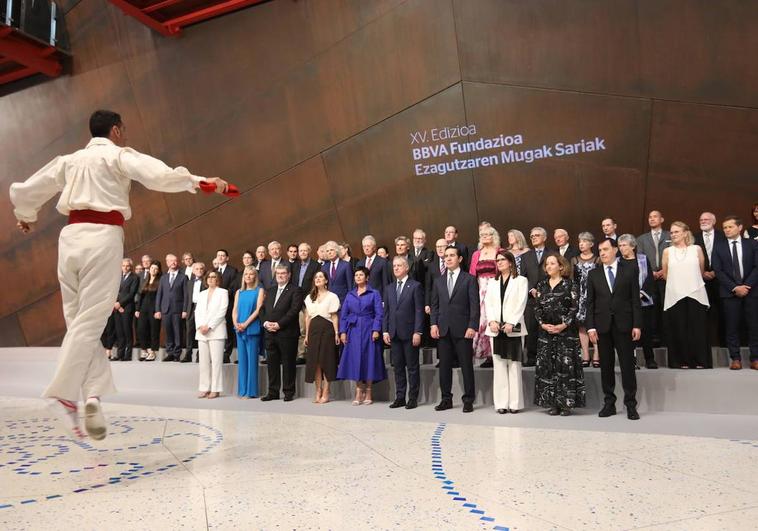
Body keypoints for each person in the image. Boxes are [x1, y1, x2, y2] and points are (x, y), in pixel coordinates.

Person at [9, 109, 228, 439]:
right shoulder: (118, 156)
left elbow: (30, 189)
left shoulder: (69, 160)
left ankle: (93, 393)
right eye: (123, 130)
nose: (125, 135)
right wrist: (202, 182)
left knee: (78, 320)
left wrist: (26, 214)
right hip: (102, 237)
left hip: (70, 239)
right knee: (91, 320)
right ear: (115, 130)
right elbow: (158, 175)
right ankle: (64, 395)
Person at [587, 238, 642, 420]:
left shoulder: (630, 270)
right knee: (606, 367)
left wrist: (637, 324)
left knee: (627, 366)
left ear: (615, 250)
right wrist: (590, 327)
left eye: (605, 249)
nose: (602, 253)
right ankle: (609, 403)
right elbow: (590, 304)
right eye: (600, 250)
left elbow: (635, 299)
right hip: (602, 326)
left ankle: (631, 405)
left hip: (624, 324)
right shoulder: (593, 274)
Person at [533, 255, 585, 416]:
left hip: (566, 333)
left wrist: (563, 324)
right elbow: (537, 307)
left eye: (552, 263)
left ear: (561, 266)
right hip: (546, 332)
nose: (548, 266)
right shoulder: (541, 285)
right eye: (547, 264)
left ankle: (566, 404)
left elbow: (575, 308)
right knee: (548, 367)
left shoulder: (571, 285)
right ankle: (552, 403)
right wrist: (542, 323)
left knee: (565, 367)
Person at [430, 246, 479, 413]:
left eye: (452, 255)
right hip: (443, 329)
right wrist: (433, 324)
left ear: (460, 259)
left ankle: (468, 399)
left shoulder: (469, 279)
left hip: (463, 329)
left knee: (466, 366)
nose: (448, 258)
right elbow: (434, 306)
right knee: (444, 366)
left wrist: (472, 325)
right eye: (446, 256)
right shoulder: (438, 281)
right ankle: (446, 399)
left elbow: (474, 306)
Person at [484, 250, 528, 414]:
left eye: (503, 259)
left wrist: (511, 322)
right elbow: (488, 303)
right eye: (497, 260)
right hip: (496, 329)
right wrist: (492, 321)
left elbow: (521, 303)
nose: (499, 262)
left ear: (510, 262)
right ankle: (501, 403)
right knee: (499, 366)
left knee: (514, 367)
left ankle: (515, 404)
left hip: (513, 328)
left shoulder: (521, 280)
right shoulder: (492, 282)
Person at [661, 221, 710, 369]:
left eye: (676, 231)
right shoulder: (667, 251)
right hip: (675, 294)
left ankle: (700, 361)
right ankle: (680, 361)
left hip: (696, 292)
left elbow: (701, 271)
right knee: (678, 328)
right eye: (672, 232)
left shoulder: (696, 249)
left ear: (685, 233)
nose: (673, 234)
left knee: (697, 328)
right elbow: (665, 274)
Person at [712, 215, 758, 370]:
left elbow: (756, 267)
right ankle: (735, 358)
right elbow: (718, 270)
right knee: (731, 327)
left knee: (754, 326)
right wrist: (735, 287)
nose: (726, 230)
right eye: (724, 227)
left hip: (752, 292)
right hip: (729, 292)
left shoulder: (752, 244)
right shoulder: (718, 246)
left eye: (730, 227)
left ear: (740, 227)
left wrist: (746, 286)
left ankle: (755, 358)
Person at [338, 266, 386, 405]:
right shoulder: (350, 294)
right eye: (356, 275)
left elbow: (379, 313)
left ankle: (369, 390)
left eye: (361, 275)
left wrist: (376, 329)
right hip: (353, 329)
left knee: (369, 359)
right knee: (355, 360)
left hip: (368, 328)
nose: (358, 277)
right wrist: (343, 332)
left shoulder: (374, 293)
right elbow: (344, 315)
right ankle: (359, 389)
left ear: (367, 277)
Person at [383, 256, 424, 410]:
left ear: (406, 268)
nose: (396, 268)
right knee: (398, 367)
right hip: (394, 333)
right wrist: (385, 330)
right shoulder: (389, 288)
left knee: (412, 367)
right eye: (394, 266)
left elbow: (419, 311)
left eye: (399, 265)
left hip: (409, 332)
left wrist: (418, 331)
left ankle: (412, 398)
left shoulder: (415, 286)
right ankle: (400, 397)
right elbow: (386, 311)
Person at [260, 265, 304, 401]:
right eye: (278, 273)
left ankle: (288, 392)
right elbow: (262, 309)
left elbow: (294, 310)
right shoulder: (271, 290)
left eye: (283, 273)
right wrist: (266, 323)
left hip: (287, 332)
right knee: (272, 364)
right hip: (270, 332)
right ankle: (273, 392)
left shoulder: (295, 290)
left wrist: (279, 324)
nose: (280, 275)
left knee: (288, 363)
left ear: (289, 275)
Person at [618, 234, 658, 369]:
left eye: (624, 245)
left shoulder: (642, 259)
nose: (622, 248)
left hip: (643, 301)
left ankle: (650, 359)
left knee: (646, 332)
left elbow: (649, 279)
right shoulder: (617, 262)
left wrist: (640, 294)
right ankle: (631, 360)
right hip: (626, 304)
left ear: (633, 246)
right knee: (629, 334)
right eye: (620, 246)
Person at [304, 271, 341, 403]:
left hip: (327, 330)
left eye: (321, 277)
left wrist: (337, 333)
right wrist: (306, 335)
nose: (318, 279)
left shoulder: (332, 297)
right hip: (313, 330)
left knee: (327, 361)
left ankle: (326, 391)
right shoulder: (309, 297)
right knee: (316, 362)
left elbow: (334, 316)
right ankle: (318, 390)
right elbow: (307, 317)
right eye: (316, 277)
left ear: (326, 281)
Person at [636, 210, 671, 345]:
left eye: (655, 216)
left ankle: (666, 339)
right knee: (651, 309)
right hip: (649, 279)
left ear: (662, 219)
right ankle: (653, 338)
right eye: (650, 217)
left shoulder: (670, 235)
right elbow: (640, 259)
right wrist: (651, 272)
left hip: (667, 277)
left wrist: (664, 271)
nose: (652, 219)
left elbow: (674, 256)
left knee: (666, 308)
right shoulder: (641, 239)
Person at [469, 225, 500, 366]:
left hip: (496, 288)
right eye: (483, 235)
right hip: (480, 289)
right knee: (482, 320)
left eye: (488, 234)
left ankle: (496, 354)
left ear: (494, 236)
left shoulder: (500, 251)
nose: (485, 237)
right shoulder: (477, 254)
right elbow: (471, 275)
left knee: (494, 318)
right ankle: (486, 354)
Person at [694, 212, 726, 348]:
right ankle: (703, 344)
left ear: (714, 221)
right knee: (701, 314)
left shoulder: (723, 235)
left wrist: (716, 272)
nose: (703, 221)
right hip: (700, 280)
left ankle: (724, 343)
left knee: (723, 313)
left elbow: (727, 256)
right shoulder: (694, 237)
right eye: (701, 219)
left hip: (721, 280)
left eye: (706, 219)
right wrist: (703, 272)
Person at [195, 271, 228, 399]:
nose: (211, 279)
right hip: (201, 332)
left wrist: (209, 326)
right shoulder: (202, 294)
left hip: (216, 330)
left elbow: (222, 311)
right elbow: (197, 312)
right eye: (208, 277)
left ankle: (216, 389)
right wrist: (200, 326)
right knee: (203, 362)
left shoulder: (223, 292)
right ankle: (204, 388)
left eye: (213, 277)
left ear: (218, 279)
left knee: (216, 362)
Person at [521, 226, 551, 367]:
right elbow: (522, 277)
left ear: (544, 237)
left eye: (537, 235)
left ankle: (548, 358)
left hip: (550, 296)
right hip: (532, 298)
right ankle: (532, 358)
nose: (533, 237)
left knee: (548, 327)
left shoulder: (553, 254)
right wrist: (530, 289)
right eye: (532, 236)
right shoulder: (526, 256)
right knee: (531, 328)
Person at [233, 266, 264, 399]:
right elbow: (234, 310)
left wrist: (245, 324)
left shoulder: (260, 290)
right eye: (246, 274)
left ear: (255, 276)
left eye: (251, 274)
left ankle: (251, 391)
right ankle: (242, 390)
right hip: (239, 329)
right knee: (243, 361)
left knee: (252, 361)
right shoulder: (239, 292)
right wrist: (236, 324)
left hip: (251, 328)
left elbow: (258, 310)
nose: (248, 276)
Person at [571, 232, 601, 368]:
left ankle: (597, 353)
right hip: (580, 296)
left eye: (584, 241)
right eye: (580, 241)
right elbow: (572, 280)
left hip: (594, 295)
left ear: (591, 244)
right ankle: (585, 354)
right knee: (581, 325)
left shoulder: (597, 259)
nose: (581, 244)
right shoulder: (574, 260)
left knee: (595, 324)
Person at [155, 254, 187, 362]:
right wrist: (158, 310)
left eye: (175, 261)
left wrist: (184, 310)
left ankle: (177, 354)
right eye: (171, 261)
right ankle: (170, 353)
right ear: (167, 262)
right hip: (165, 309)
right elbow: (159, 294)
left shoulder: (183, 277)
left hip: (178, 309)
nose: (173, 263)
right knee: (168, 332)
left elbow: (186, 295)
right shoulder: (163, 277)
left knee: (178, 332)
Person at [293, 242, 320, 364]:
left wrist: (310, 298)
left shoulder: (316, 265)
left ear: (309, 252)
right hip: (296, 301)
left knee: (309, 328)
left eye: (305, 250)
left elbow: (316, 283)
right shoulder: (295, 265)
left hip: (310, 301)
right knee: (301, 329)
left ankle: (311, 354)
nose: (303, 253)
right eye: (301, 251)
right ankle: (301, 354)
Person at [113, 258, 139, 361]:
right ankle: (120, 354)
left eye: (127, 266)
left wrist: (120, 304)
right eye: (123, 265)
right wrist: (116, 304)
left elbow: (131, 294)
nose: (125, 267)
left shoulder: (134, 278)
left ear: (131, 267)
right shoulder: (117, 277)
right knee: (119, 332)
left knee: (127, 331)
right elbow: (113, 291)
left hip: (127, 307)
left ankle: (127, 355)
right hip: (117, 307)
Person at [135, 261, 162, 361]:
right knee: (141, 329)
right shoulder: (145, 280)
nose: (153, 270)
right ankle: (144, 350)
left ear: (158, 271)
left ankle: (152, 352)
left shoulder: (160, 281)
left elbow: (160, 297)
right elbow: (140, 296)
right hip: (143, 308)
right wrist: (138, 309)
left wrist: (158, 310)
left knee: (153, 330)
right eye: (152, 268)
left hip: (154, 309)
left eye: (155, 269)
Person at [215, 249, 238, 363]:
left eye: (223, 255)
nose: (220, 257)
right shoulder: (213, 271)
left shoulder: (232, 271)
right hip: (215, 306)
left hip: (228, 304)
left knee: (228, 329)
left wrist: (220, 294)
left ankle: (227, 353)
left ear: (227, 258)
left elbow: (233, 287)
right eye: (218, 255)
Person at [182, 261, 206, 363]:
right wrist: (184, 310)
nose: (199, 271)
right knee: (189, 331)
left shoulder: (206, 282)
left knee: (201, 331)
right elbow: (186, 297)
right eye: (197, 269)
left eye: (201, 269)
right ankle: (188, 353)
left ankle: (200, 354)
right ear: (193, 271)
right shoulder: (189, 282)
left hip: (202, 308)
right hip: (191, 308)